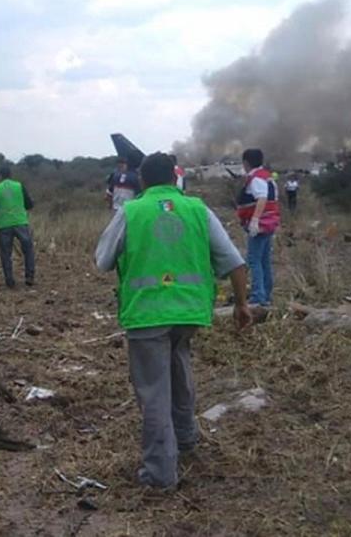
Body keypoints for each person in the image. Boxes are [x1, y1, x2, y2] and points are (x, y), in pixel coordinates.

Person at [95, 152, 252, 490]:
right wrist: (241, 305)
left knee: (153, 394)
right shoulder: (198, 209)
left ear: (143, 180)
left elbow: (103, 261)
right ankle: (187, 440)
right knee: (179, 369)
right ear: (174, 177)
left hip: (147, 315)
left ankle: (160, 475)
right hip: (190, 314)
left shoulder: (131, 212)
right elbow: (235, 263)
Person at [236, 148, 280, 306]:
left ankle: (258, 297)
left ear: (246, 163)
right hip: (269, 223)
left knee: (254, 260)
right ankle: (266, 295)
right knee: (264, 260)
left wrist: (254, 220)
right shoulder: (267, 177)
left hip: (260, 225)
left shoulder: (256, 179)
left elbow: (262, 198)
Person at [0, 164, 35, 288]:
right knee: (28, 250)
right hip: (20, 222)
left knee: (5, 254)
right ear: (11, 174)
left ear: (0, 175)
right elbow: (29, 204)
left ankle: (9, 281)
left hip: (4, 225)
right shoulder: (19, 186)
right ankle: (29, 276)